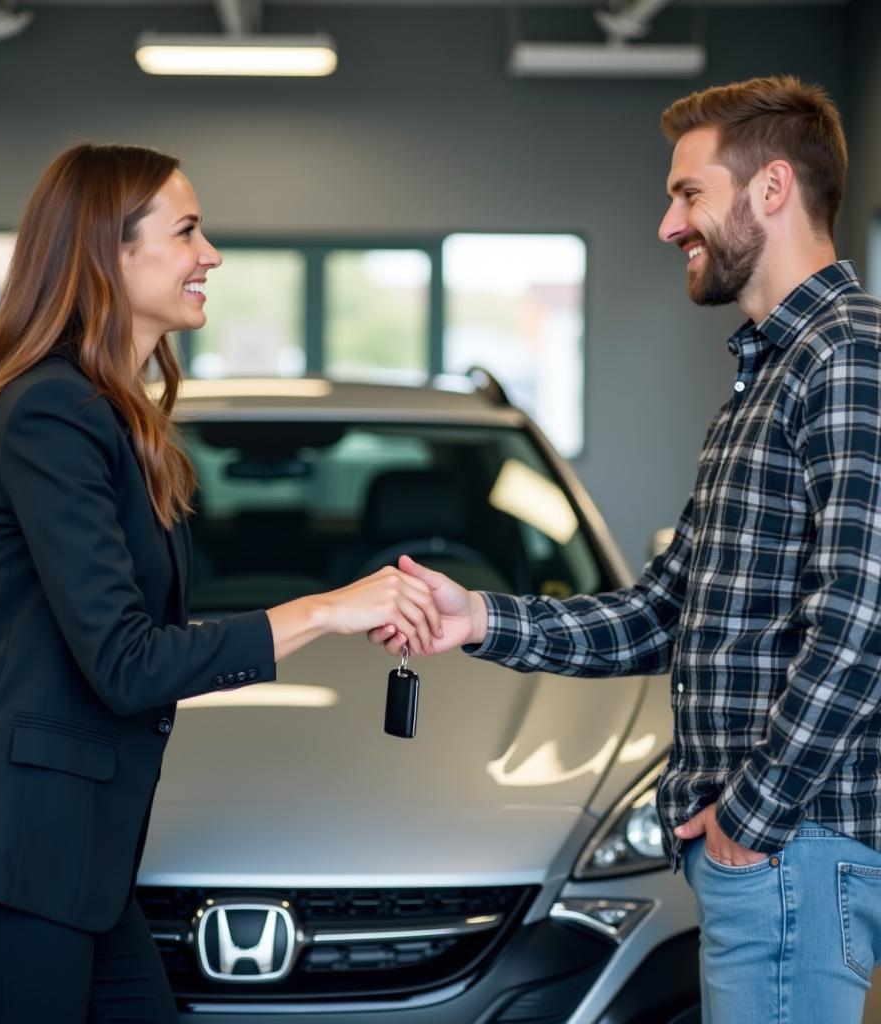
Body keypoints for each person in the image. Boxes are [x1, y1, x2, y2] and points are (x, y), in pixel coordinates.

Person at [370, 76, 881, 1024]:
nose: (667, 224)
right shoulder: (767, 377)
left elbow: (863, 621)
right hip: (766, 858)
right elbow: (662, 612)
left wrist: (751, 818)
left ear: (771, 190)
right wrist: (478, 616)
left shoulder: (847, 354)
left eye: (688, 193)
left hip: (791, 851)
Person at [0, 143, 442, 1024]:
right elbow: (124, 661)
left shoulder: (114, 414)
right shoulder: (51, 410)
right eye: (187, 231)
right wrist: (328, 608)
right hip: (15, 865)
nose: (211, 254)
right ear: (107, 253)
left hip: (80, 869)